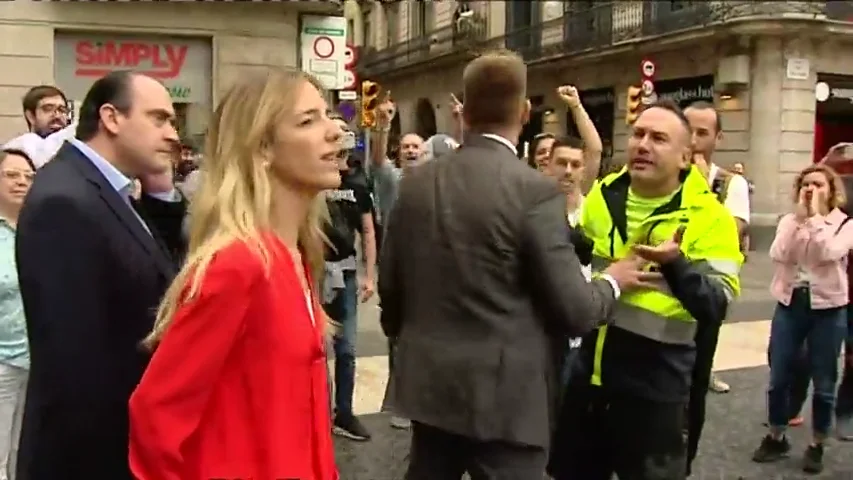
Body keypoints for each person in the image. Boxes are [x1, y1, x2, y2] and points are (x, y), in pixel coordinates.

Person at [379, 50, 652, 480]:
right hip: (506, 399)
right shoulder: (533, 192)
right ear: (524, 112)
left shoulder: (416, 184)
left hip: (431, 387)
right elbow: (576, 310)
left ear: (464, 112)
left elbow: (390, 291)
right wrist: (613, 281)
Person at [128, 67, 341, 480]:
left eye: (328, 115)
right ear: (261, 147)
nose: (334, 129)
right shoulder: (238, 264)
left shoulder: (295, 256)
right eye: (308, 120)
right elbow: (156, 416)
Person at [548, 99, 742, 480]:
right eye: (638, 134)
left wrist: (676, 266)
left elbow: (718, 305)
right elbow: (587, 258)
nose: (642, 144)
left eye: (658, 138)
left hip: (656, 390)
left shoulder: (710, 217)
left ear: (685, 156)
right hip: (589, 377)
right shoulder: (604, 194)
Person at [14, 71, 185, 480]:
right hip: (92, 457)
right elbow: (73, 366)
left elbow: (151, 271)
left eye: (173, 123)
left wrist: (161, 194)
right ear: (111, 118)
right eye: (159, 119)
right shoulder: (64, 199)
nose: (172, 135)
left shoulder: (107, 189)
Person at [752, 163, 853, 474]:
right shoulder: (788, 221)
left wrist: (816, 219)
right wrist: (800, 221)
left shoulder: (844, 224)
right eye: (806, 184)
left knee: (824, 381)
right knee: (779, 375)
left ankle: (817, 443)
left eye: (819, 185)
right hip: (790, 303)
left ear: (831, 191)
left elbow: (828, 253)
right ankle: (776, 435)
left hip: (829, 309)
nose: (811, 189)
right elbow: (779, 253)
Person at [324, 115, 376, 441]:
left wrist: (369, 274)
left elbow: (368, 230)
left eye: (345, 132)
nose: (341, 137)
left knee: (347, 349)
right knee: (311, 350)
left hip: (345, 271)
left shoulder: (357, 183)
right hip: (314, 273)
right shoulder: (314, 177)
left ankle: (343, 411)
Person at [0, 149, 35, 480]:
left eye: (28, 176)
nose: (22, 182)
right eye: (12, 175)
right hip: (2, 361)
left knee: (21, 453)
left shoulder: (38, 227)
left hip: (35, 359)